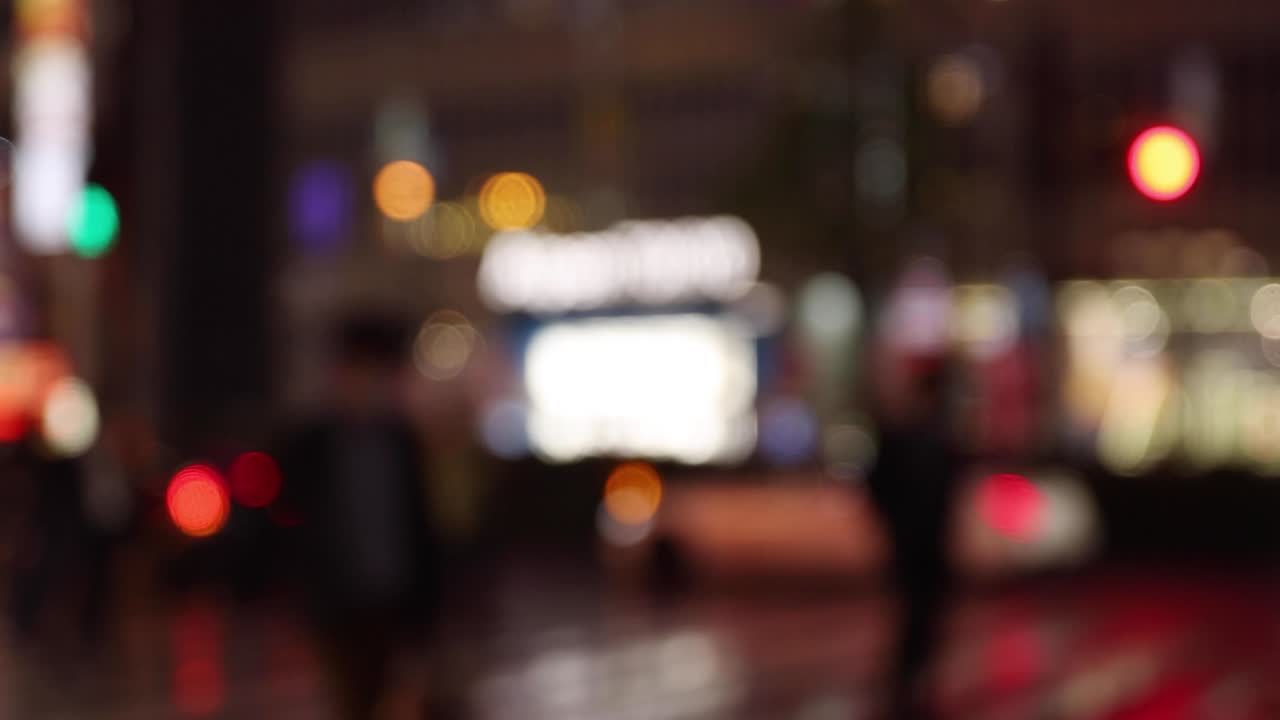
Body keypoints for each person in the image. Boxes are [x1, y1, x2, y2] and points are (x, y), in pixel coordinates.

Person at [277, 314, 439, 719]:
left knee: (393, 695)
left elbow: (420, 525)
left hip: (393, 596)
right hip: (338, 601)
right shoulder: (315, 443)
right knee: (352, 697)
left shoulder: (401, 442)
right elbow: (292, 518)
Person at [866, 352, 958, 719]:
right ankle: (907, 681)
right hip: (913, 539)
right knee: (915, 612)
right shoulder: (906, 436)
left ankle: (914, 678)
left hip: (928, 539)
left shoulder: (938, 436)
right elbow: (878, 486)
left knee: (925, 612)